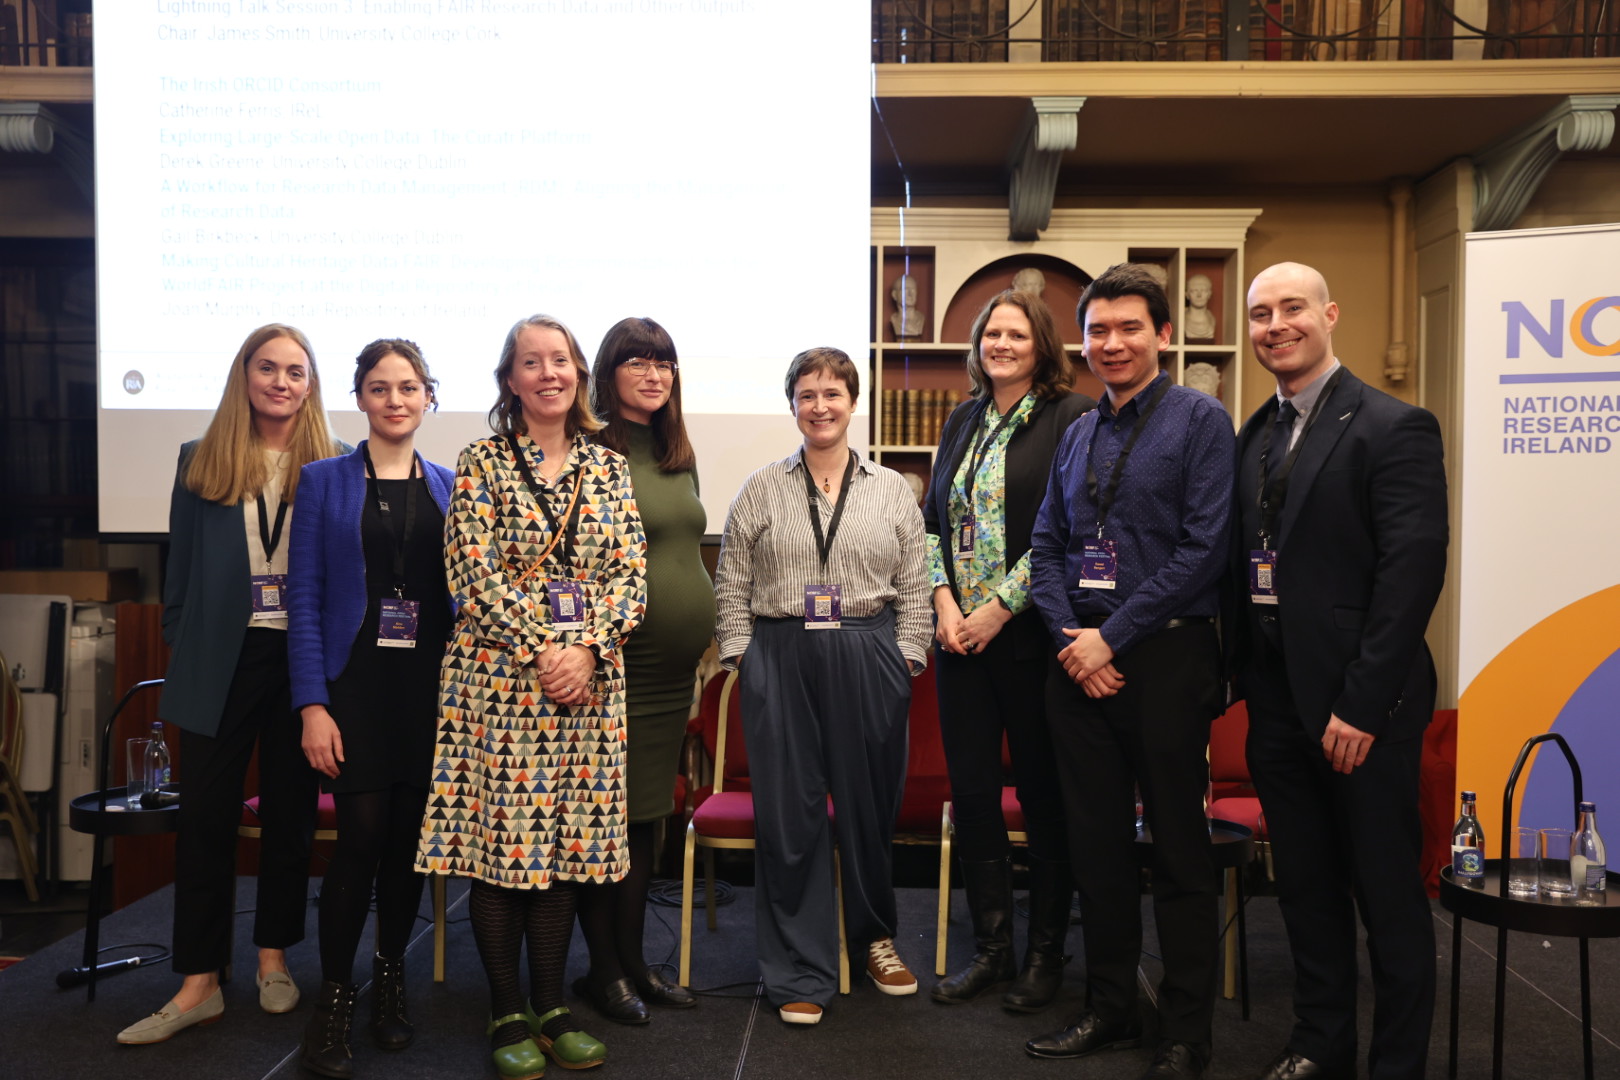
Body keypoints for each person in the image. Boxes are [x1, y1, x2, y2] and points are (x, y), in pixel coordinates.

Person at [416, 315, 647, 1080]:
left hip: (586, 687)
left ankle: (551, 1007)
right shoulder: (479, 462)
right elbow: (471, 576)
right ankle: (505, 1009)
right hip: (500, 686)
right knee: (502, 852)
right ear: (510, 380)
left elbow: (630, 580)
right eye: (531, 362)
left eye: (561, 360)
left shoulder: (609, 469)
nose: (549, 373)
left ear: (579, 373)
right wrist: (547, 648)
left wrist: (583, 650)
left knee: (562, 854)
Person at [1232, 263, 1447, 1080]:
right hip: (1280, 705)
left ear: (1330, 315)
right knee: (1308, 890)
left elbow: (1412, 573)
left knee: (1387, 898)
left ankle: (1396, 1066)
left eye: (1291, 309)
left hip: (1364, 709)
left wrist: (1361, 705)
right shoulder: (1255, 432)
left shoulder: (1394, 425)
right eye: (1260, 314)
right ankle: (1321, 1044)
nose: (1275, 325)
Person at [1027, 263, 1234, 1080]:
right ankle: (1110, 1007)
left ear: (1163, 335)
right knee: (1096, 849)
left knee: (1180, 851)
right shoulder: (1080, 430)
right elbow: (1046, 545)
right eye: (1098, 331)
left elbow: (1203, 551)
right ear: (1083, 341)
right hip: (1077, 664)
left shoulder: (1200, 420)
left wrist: (1109, 638)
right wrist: (1072, 638)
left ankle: (1186, 1033)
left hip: (1167, 658)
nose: (1111, 343)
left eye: (1128, 329)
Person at [118, 324, 343, 1045]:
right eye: (268, 368)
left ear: (311, 385)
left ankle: (273, 958)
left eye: (296, 371)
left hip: (301, 660)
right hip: (222, 659)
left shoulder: (332, 463)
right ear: (244, 375)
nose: (281, 381)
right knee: (205, 820)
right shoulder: (199, 461)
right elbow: (177, 578)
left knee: (289, 816)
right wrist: (188, 646)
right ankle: (199, 981)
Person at [713, 347, 931, 1026]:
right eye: (807, 394)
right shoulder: (760, 487)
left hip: (868, 650)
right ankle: (798, 968)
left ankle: (874, 940)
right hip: (781, 654)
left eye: (832, 393)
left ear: (852, 400)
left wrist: (906, 660)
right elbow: (732, 583)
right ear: (792, 405)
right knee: (792, 818)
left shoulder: (893, 489)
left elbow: (917, 586)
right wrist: (746, 658)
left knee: (868, 809)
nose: (820, 406)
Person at [923, 289, 1094, 1012]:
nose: (1001, 344)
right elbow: (931, 524)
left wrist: (996, 610)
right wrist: (944, 605)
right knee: (974, 800)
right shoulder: (962, 419)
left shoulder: (1071, 418)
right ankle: (992, 948)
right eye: (991, 333)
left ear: (1042, 344)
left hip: (1030, 641)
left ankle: (1044, 953)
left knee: (1044, 799)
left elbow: (1067, 528)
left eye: (1016, 334)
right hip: (958, 644)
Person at [287, 339, 455, 1077]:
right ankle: (335, 996)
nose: (395, 399)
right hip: (353, 684)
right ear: (358, 397)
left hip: (427, 687)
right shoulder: (322, 480)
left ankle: (390, 984)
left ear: (427, 399)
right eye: (380, 387)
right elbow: (305, 600)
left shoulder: (453, 485)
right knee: (358, 836)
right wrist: (311, 705)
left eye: (409, 387)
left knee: (406, 844)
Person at [572, 317, 714, 1024]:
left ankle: (632, 963)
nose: (654, 374)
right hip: (612, 667)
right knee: (607, 821)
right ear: (609, 371)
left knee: (645, 819)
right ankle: (603, 971)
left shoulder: (675, 451)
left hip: (670, 677)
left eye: (664, 362)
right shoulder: (587, 452)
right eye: (638, 361)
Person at [1184, 273, 1217, 341]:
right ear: (1187, 294)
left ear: (1209, 294)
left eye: (1203, 290)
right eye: (1194, 290)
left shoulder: (1211, 319)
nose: (1199, 295)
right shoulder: (1181, 319)